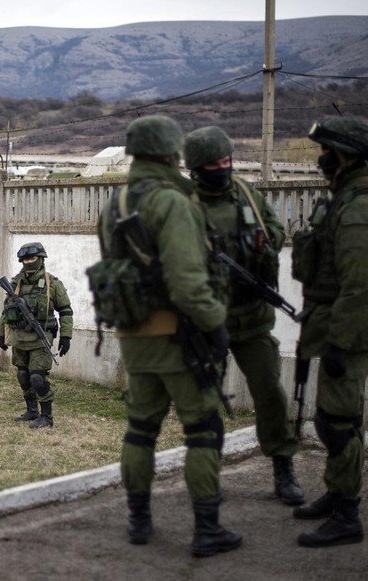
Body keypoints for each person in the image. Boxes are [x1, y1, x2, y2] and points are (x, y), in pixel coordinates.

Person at [96, 115, 240, 556]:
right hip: (180, 337)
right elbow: (187, 282)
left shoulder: (115, 204)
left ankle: (138, 521)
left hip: (134, 337)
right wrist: (216, 321)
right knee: (202, 428)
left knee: (140, 429)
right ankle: (207, 529)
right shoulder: (173, 203)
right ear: (170, 151)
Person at [291, 117, 368, 547]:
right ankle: (337, 494)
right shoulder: (347, 199)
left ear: (346, 156)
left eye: (328, 151)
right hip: (340, 328)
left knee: (336, 423)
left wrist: (338, 341)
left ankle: (347, 514)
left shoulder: (360, 209)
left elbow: (361, 284)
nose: (321, 159)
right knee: (343, 417)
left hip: (349, 333)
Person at [183, 126, 304, 506]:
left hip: (253, 318)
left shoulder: (248, 195)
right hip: (207, 322)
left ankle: (283, 465)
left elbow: (278, 231)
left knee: (270, 391)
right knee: (205, 400)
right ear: (197, 167)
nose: (224, 168)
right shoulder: (184, 203)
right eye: (215, 163)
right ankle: (207, 472)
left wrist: (262, 245)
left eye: (227, 161)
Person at [0, 242, 72, 429]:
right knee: (23, 375)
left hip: (40, 338)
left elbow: (65, 311)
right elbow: (6, 311)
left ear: (41, 259)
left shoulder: (52, 283)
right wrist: (1, 334)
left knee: (37, 377)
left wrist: (66, 336)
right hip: (19, 336)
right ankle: (32, 410)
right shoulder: (15, 283)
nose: (28, 262)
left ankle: (47, 416)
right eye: (25, 259)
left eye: (32, 258)